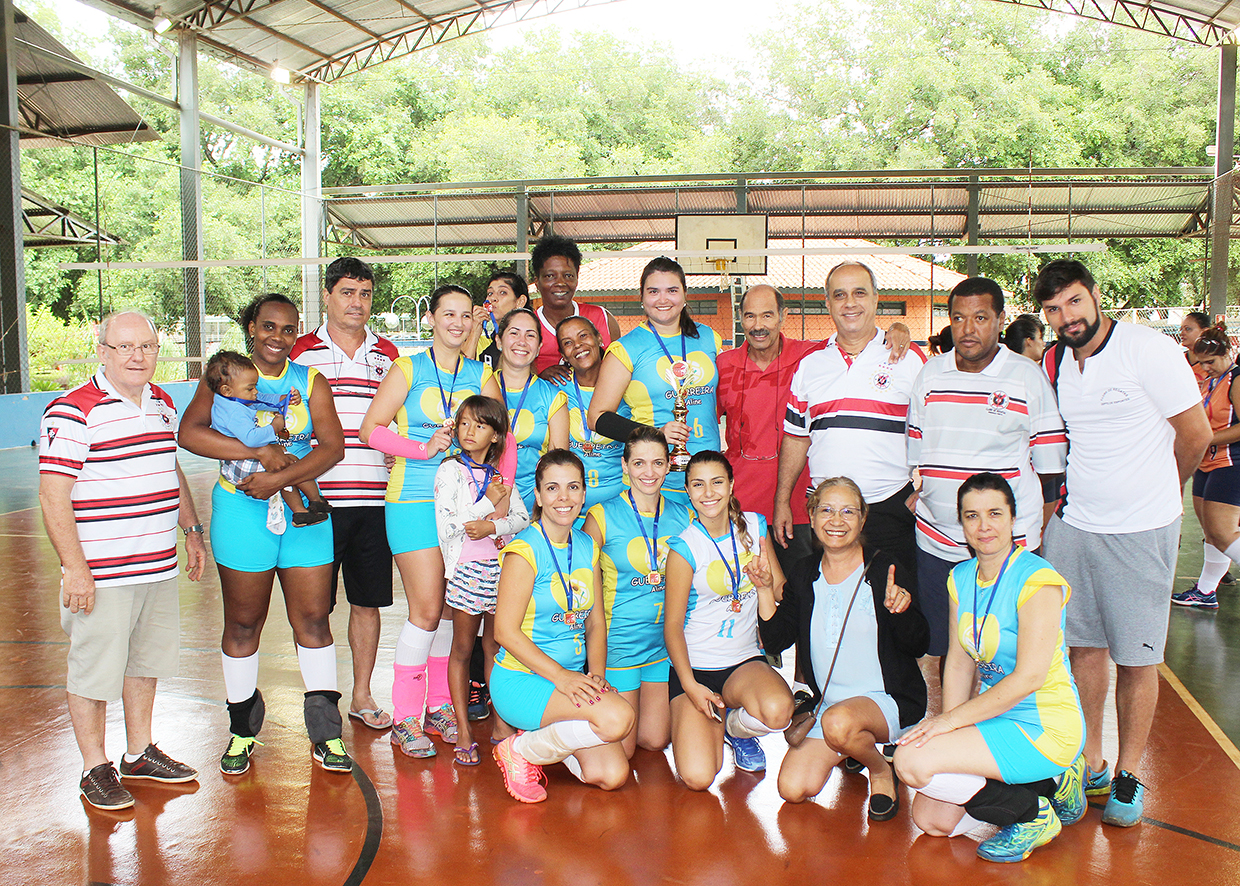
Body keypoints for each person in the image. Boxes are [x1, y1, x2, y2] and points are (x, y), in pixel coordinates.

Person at [1034, 259, 1210, 827]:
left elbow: (1197, 434)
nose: (1067, 317)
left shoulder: (1148, 351)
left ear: (1096, 296)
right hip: (1076, 526)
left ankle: (1130, 772)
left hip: (1141, 530)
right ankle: (1091, 764)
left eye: (1075, 302)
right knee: (1081, 650)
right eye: (1054, 309)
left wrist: (1163, 494)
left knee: (1137, 658)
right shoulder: (1056, 360)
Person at [39, 310, 207, 811]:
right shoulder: (72, 411)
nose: (137, 356)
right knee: (92, 671)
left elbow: (168, 467)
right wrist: (76, 568)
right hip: (103, 573)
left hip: (157, 566)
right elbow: (53, 496)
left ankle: (139, 753)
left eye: (147, 347)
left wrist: (192, 530)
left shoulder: (161, 403)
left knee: (143, 663)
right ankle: (95, 766)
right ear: (103, 350)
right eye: (124, 347)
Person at [180, 293, 352, 776]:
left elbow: (333, 447)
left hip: (301, 510)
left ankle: (326, 733)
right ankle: (241, 731)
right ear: (252, 327)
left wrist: (279, 478)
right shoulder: (223, 377)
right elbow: (189, 434)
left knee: (314, 621)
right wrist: (258, 457)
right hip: (241, 511)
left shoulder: (309, 380)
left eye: (288, 329)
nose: (278, 337)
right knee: (242, 624)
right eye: (269, 327)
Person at [894, 473, 1087, 864]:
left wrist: (946, 728)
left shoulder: (1037, 579)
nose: (984, 527)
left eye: (995, 514)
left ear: (1014, 518)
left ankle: (1033, 815)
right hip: (994, 717)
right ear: (961, 523)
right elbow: (960, 665)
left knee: (910, 761)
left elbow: (1029, 677)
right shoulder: (961, 578)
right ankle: (1049, 784)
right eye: (972, 516)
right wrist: (949, 723)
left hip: (1043, 723)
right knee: (932, 819)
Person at [360, 283, 505, 759]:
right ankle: (405, 718)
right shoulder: (409, 367)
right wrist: (422, 449)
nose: (458, 323)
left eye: (467, 315)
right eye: (448, 314)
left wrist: (496, 504)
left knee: (449, 609)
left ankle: (440, 705)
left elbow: (503, 441)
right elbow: (371, 430)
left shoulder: (482, 374)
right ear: (432, 319)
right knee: (425, 610)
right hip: (414, 502)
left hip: (467, 513)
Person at [907, 277, 1067, 659]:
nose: (968, 329)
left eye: (980, 317)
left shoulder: (1027, 377)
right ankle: (956, 720)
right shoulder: (930, 374)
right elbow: (916, 455)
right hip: (936, 541)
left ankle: (1004, 720)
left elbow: (1050, 468)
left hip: (1003, 545)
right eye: (959, 318)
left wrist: (1033, 527)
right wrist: (922, 493)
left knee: (1007, 649)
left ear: (1000, 319)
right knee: (947, 649)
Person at [760, 477, 928, 820]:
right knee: (792, 788)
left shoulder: (886, 569)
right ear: (812, 514)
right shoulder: (804, 573)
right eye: (827, 510)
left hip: (887, 700)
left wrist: (903, 611)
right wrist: (764, 590)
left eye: (848, 511)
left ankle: (880, 770)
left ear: (863, 519)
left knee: (840, 725)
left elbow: (919, 643)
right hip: (831, 708)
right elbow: (777, 640)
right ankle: (853, 743)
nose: (837, 521)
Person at [291, 256, 402, 730]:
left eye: (366, 294)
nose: (358, 303)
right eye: (348, 293)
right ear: (328, 296)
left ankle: (361, 694)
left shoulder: (389, 354)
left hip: (375, 501)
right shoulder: (299, 353)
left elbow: (397, 417)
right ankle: (320, 699)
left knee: (367, 601)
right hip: (318, 503)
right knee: (314, 608)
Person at [490, 450, 635, 803]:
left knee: (611, 774)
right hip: (521, 680)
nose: (564, 498)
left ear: (584, 494)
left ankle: (547, 738)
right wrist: (564, 678)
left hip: (569, 681)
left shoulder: (587, 546)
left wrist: (596, 676)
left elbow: (596, 625)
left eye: (573, 487)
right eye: (552, 488)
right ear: (538, 496)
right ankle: (520, 750)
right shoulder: (524, 550)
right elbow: (504, 632)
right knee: (617, 719)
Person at [776, 261, 926, 587]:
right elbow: (796, 438)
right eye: (839, 295)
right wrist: (782, 500)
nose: (850, 303)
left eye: (859, 293)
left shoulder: (910, 358)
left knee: (896, 612)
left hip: (888, 506)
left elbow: (937, 430)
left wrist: (928, 484)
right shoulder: (810, 365)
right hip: (829, 514)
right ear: (827, 303)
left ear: (875, 298)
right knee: (835, 608)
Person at [664, 451, 793, 787]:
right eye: (698, 485)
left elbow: (779, 590)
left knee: (779, 710)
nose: (709, 493)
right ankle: (710, 722)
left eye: (717, 482)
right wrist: (691, 686)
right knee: (698, 777)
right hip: (696, 669)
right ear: (688, 491)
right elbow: (672, 627)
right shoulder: (684, 547)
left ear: (732, 485)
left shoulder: (754, 526)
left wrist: (766, 585)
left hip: (743, 662)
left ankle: (736, 728)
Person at [583, 427, 696, 757]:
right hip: (619, 645)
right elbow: (587, 597)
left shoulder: (684, 514)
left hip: (662, 646)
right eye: (640, 463)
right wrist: (596, 667)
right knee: (624, 751)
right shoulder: (600, 516)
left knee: (655, 740)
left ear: (669, 465)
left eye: (658, 463)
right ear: (624, 465)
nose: (649, 473)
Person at [434, 396, 530, 765]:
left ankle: (503, 723)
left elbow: (521, 517)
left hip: (502, 572)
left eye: (480, 425)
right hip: (466, 573)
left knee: (496, 648)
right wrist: (485, 506)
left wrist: (494, 525)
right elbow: (448, 528)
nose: (469, 431)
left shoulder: (496, 476)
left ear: (495, 435)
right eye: (463, 424)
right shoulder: (449, 471)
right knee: (462, 649)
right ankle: (462, 727)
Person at [587, 256, 723, 504]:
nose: (663, 299)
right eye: (653, 291)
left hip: (708, 478)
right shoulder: (625, 349)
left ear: (684, 295)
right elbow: (596, 418)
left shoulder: (709, 338)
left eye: (672, 290)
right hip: (653, 480)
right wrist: (654, 433)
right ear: (641, 297)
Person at [205, 350, 329, 528]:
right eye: (250, 388)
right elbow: (251, 439)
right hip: (239, 464)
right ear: (227, 389)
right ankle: (312, 504)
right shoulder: (233, 412)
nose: (255, 391)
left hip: (244, 458)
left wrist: (283, 399)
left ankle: (304, 510)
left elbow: (261, 398)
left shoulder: (233, 397)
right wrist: (274, 428)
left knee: (285, 467)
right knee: (289, 465)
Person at [1174, 324, 1240, 609]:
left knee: (1223, 532)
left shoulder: (1236, 378)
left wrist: (1206, 438)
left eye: (1210, 362)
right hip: (1206, 461)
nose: (1205, 367)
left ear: (1227, 354)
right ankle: (1205, 592)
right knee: (1211, 532)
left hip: (1231, 461)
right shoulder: (1212, 380)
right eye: (1201, 362)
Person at [495, 307, 570, 511]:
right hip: (484, 502)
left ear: (538, 348)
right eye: (514, 333)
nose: (522, 341)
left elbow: (558, 464)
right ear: (498, 341)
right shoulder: (480, 387)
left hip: (533, 507)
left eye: (530, 335)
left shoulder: (553, 397)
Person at [557, 315, 624, 513]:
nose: (578, 345)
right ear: (562, 353)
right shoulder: (556, 388)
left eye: (583, 336)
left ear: (600, 339)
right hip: (570, 504)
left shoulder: (625, 384)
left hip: (620, 502)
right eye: (568, 343)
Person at [529, 235, 620, 379]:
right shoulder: (528, 325)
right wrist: (539, 378)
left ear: (577, 279)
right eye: (550, 276)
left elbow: (620, 370)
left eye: (568, 276)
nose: (560, 283)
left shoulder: (602, 318)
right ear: (537, 283)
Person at [466, 270, 530, 368]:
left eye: (502, 292)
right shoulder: (480, 342)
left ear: (520, 302)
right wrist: (475, 330)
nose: (493, 299)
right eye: (490, 293)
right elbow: (461, 374)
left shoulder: (529, 340)